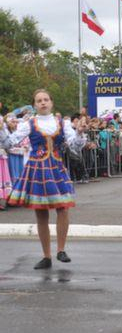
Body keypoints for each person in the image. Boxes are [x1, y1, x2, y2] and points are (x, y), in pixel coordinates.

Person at [0, 89, 87, 269]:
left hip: (56, 168)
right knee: (41, 213)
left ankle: (61, 250)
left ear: (51, 102)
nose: (43, 103)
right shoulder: (29, 123)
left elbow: (76, 145)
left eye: (46, 99)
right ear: (34, 105)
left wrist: (79, 132)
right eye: (39, 100)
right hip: (37, 169)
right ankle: (46, 256)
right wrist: (2, 131)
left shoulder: (62, 123)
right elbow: (9, 144)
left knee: (63, 208)